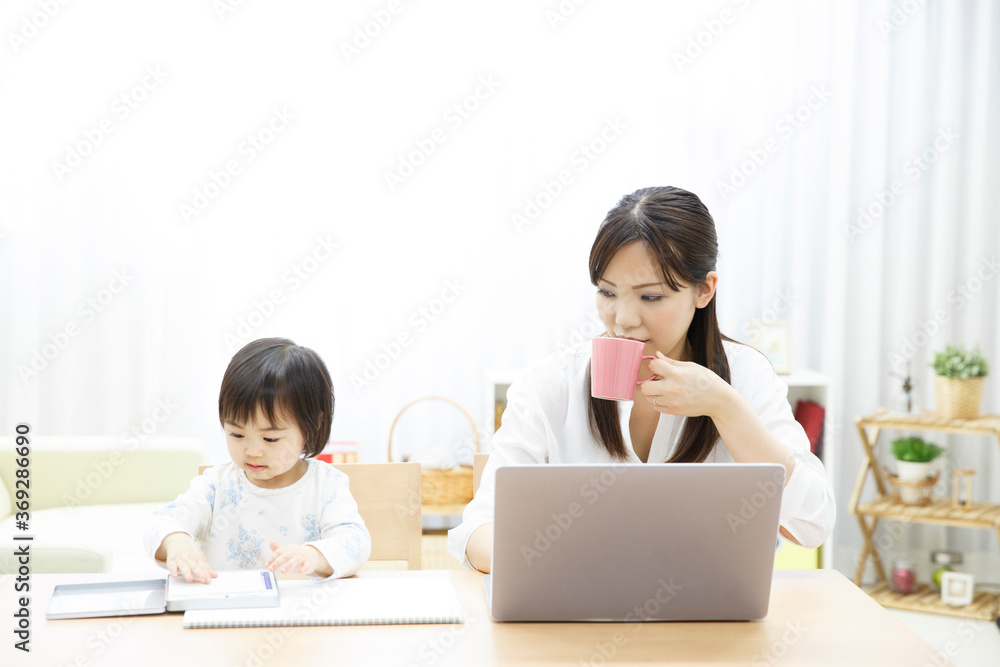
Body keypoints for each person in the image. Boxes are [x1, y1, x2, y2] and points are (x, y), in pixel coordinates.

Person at [448, 186, 836, 573]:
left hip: (707, 608)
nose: (623, 319)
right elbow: (478, 530)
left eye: (650, 297)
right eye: (607, 293)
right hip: (578, 605)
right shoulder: (551, 385)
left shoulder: (745, 376)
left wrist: (725, 407)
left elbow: (813, 523)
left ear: (704, 290)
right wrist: (568, 565)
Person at [145, 337, 371, 582]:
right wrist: (176, 541)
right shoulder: (216, 484)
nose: (253, 451)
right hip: (227, 604)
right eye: (237, 434)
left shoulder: (326, 485)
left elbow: (355, 542)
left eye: (270, 438)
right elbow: (162, 521)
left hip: (301, 605)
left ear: (311, 426)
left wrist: (314, 555)